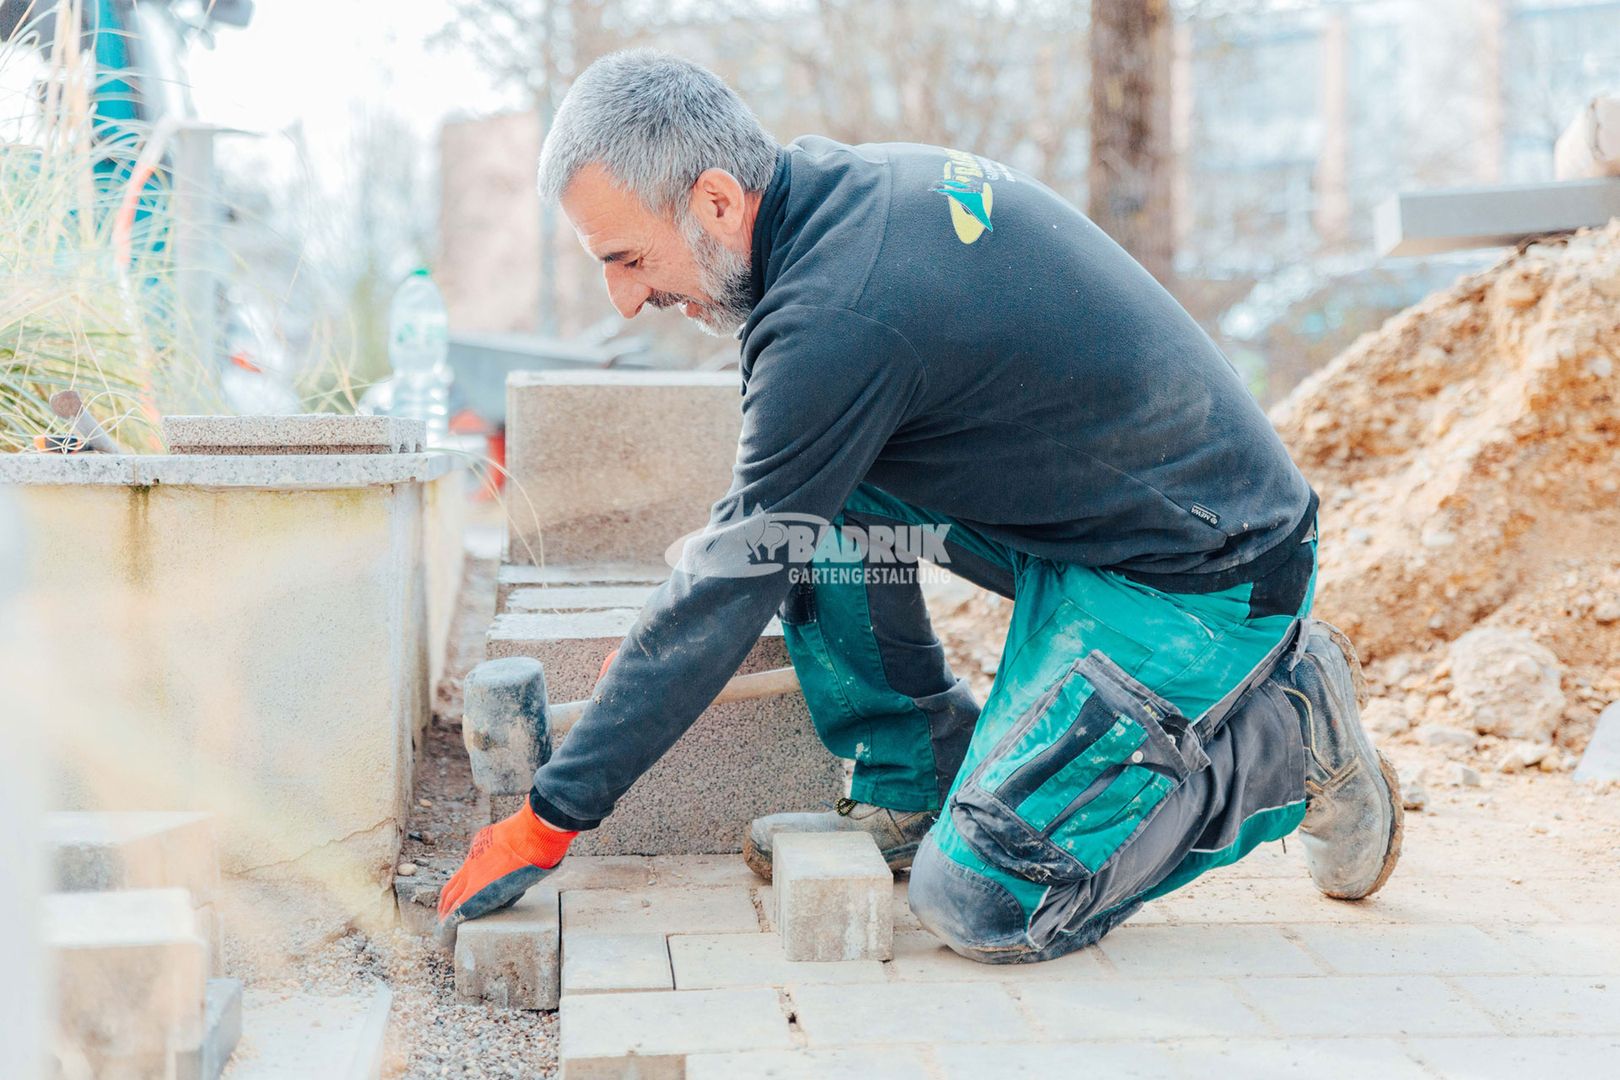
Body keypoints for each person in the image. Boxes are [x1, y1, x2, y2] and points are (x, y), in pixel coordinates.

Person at [436, 49, 1402, 963]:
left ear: (717, 202)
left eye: (629, 258)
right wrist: (673, 632)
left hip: (1205, 577)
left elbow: (739, 568)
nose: (623, 298)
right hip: (1098, 521)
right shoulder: (833, 204)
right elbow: (760, 527)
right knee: (807, 505)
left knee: (980, 902)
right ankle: (915, 781)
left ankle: (1286, 742)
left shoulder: (836, 316)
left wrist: (550, 815)